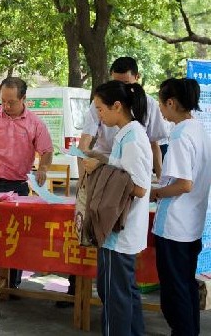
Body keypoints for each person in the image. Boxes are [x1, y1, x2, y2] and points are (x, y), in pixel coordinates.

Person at [83, 81, 152, 336]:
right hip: (118, 231)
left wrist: (101, 168)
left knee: (115, 298)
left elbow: (140, 187)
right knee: (125, 294)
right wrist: (103, 160)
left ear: (117, 106)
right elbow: (122, 170)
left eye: (101, 109)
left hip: (120, 233)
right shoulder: (127, 133)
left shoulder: (133, 137)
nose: (99, 115)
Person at [0, 77, 53, 290]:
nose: (6, 106)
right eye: (3, 101)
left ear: (23, 99)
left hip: (18, 186)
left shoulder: (35, 123)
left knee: (15, 235)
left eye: (11, 102)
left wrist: (43, 168)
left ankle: (12, 283)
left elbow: (46, 151)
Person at [150, 78, 211, 336]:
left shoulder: (180, 135)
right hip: (191, 225)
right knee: (185, 288)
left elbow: (184, 184)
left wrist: (155, 192)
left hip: (175, 227)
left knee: (174, 294)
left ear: (171, 103)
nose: (161, 111)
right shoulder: (199, 130)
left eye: (161, 105)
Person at [79, 57, 167, 179]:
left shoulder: (133, 135)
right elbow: (85, 140)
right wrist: (82, 180)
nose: (120, 88)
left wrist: (160, 179)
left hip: (125, 171)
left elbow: (154, 145)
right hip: (106, 165)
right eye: (116, 83)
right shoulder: (102, 104)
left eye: (125, 83)